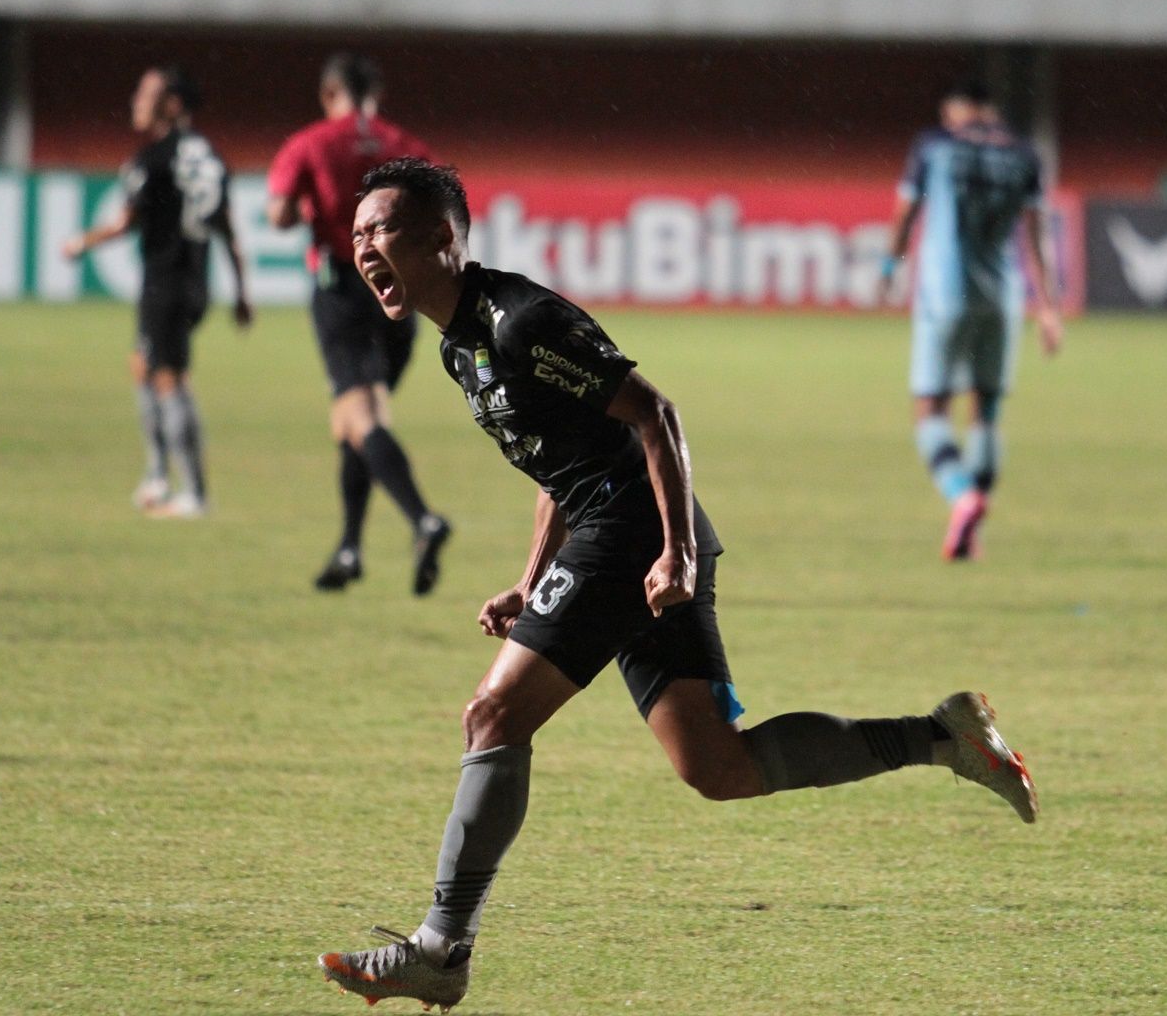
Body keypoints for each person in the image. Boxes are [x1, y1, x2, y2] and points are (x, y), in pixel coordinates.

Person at [314, 158, 1039, 1012]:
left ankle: (441, 947)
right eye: (357, 233)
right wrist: (529, 580)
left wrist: (677, 556)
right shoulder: (459, 343)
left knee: (493, 714)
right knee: (716, 765)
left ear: (441, 237)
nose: (364, 248)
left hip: (633, 535)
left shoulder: (520, 322)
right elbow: (561, 464)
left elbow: (655, 414)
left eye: (382, 230)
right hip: (616, 532)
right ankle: (944, 737)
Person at [267, 54, 453, 594]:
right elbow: (445, 204)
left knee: (361, 418)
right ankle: (349, 550)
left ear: (330, 93)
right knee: (357, 424)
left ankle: (423, 519)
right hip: (399, 292)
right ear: (376, 93)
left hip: (343, 288)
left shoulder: (311, 142)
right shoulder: (404, 144)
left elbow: (278, 213)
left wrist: (309, 211)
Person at [883, 80, 1063, 561]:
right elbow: (1039, 234)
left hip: (945, 292)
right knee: (986, 411)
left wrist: (889, 264)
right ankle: (973, 529)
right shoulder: (1025, 153)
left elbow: (906, 213)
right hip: (1002, 297)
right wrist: (1047, 307)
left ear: (956, 109)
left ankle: (963, 496)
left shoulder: (935, 146)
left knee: (931, 408)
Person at [64, 65, 251, 518]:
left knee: (169, 379)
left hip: (164, 282)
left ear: (172, 104)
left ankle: (193, 493)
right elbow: (227, 227)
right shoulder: (210, 156)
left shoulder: (151, 160)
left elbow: (126, 223)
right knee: (143, 365)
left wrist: (81, 242)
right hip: (196, 280)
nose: (136, 101)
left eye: (146, 94)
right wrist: (243, 290)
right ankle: (158, 475)